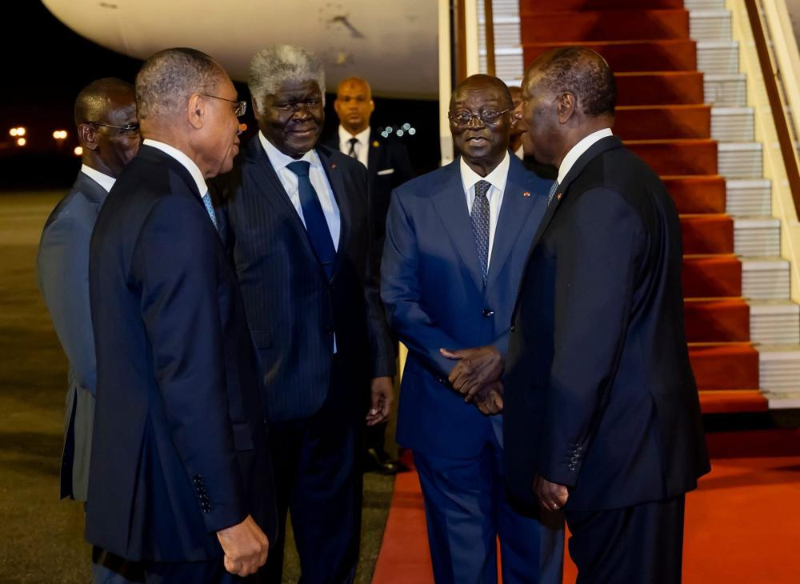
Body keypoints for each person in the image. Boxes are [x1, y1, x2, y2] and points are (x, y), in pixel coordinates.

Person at [463, 47, 710, 583]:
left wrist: (558, 462)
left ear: (566, 105)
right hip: (633, 452)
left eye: (527, 98)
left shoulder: (599, 194)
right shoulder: (619, 175)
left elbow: (588, 349)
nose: (518, 114)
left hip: (621, 456)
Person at [86, 48, 276, 583]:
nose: (242, 125)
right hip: (188, 508)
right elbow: (188, 376)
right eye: (235, 108)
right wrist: (227, 515)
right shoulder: (173, 209)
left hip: (162, 492)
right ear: (196, 109)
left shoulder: (137, 190)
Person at [212, 45, 396, 584]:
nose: (303, 115)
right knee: (257, 558)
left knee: (334, 552)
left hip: (340, 398)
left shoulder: (351, 175)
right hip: (262, 400)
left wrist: (380, 365)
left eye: (311, 101)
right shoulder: (227, 180)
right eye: (287, 104)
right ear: (256, 108)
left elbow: (365, 281)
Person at [380, 74, 563, 584]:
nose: (474, 124)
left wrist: (500, 355)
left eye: (487, 114)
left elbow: (560, 298)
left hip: (528, 411)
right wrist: (462, 373)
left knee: (536, 562)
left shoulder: (550, 195)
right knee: (461, 568)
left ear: (513, 118)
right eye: (462, 114)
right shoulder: (412, 199)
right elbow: (399, 301)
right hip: (445, 413)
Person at [37, 78, 143, 583]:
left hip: (144, 427)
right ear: (89, 134)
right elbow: (93, 360)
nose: (140, 141)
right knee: (122, 571)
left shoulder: (132, 203)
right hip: (116, 434)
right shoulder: (75, 222)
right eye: (129, 130)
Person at [324, 75, 414, 475]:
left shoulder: (392, 151)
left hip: (382, 272)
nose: (353, 105)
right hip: (337, 272)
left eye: (360, 98)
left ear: (371, 104)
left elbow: (406, 211)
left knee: (382, 352)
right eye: (346, 99)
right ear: (336, 106)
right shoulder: (320, 150)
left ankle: (376, 444)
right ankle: (343, 441)